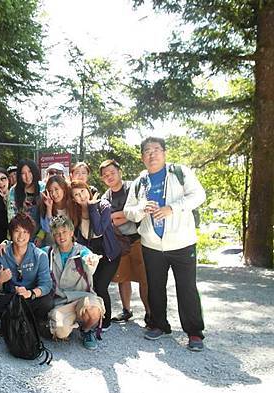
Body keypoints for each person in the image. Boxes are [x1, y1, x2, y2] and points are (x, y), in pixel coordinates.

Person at [124, 137, 206, 351]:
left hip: (182, 242)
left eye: (156, 150)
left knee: (186, 288)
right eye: (147, 151)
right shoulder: (140, 182)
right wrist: (142, 207)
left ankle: (194, 332)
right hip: (152, 244)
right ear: (142, 157)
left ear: (164, 153)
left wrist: (172, 207)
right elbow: (128, 212)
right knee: (155, 287)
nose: (152, 154)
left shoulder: (180, 172)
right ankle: (159, 324)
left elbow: (199, 195)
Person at [99, 159, 150, 324]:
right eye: (105, 175)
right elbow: (108, 220)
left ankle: (150, 313)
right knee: (123, 277)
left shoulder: (132, 188)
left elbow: (137, 212)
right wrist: (122, 215)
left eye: (112, 172)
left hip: (137, 239)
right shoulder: (106, 196)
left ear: (119, 172)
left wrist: (119, 215)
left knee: (144, 279)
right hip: (120, 242)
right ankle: (126, 310)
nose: (109, 177)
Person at [0, 213, 54, 335]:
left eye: (25, 232)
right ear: (11, 233)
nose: (21, 236)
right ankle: (21, 322)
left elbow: (46, 285)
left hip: (31, 297)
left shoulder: (40, 255)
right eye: (17, 231)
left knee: (47, 302)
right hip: (12, 297)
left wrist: (30, 293)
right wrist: (0, 281)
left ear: (30, 234)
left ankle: (17, 322)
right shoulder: (2, 254)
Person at [44, 216, 105, 350]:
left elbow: (89, 258)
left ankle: (86, 330)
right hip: (61, 302)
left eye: (64, 232)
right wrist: (6, 243)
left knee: (94, 311)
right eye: (57, 233)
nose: (61, 236)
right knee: (60, 332)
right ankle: (70, 323)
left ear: (72, 232)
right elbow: (30, 250)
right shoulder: (48, 252)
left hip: (83, 297)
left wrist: (91, 260)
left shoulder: (82, 251)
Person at [71, 180, 121, 330]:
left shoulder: (103, 206)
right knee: (91, 287)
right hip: (91, 255)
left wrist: (92, 207)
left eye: (82, 192)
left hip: (109, 254)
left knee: (101, 286)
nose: (81, 196)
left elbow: (99, 230)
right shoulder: (76, 212)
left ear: (88, 190)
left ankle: (106, 321)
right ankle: (94, 315)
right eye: (76, 195)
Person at [8, 159, 45, 245]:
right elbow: (11, 217)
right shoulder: (14, 191)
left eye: (30, 172)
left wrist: (41, 235)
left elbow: (47, 215)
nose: (27, 176)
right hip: (21, 237)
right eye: (23, 173)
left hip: (42, 236)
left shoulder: (43, 188)